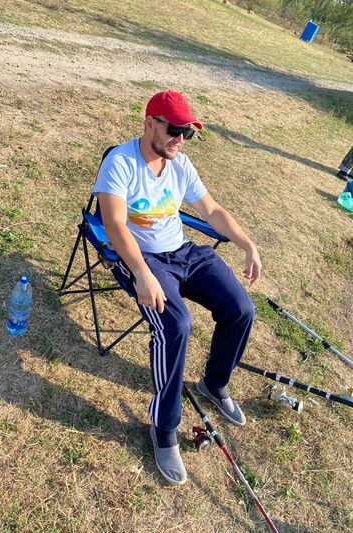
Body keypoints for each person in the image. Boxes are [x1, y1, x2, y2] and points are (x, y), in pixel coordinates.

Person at [93, 90, 261, 485]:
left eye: (187, 133)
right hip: (145, 259)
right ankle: (164, 427)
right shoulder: (121, 162)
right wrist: (140, 272)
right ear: (149, 122)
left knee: (241, 309)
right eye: (174, 130)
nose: (180, 139)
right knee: (176, 326)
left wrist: (247, 244)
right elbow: (113, 223)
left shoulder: (180, 164)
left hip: (184, 252)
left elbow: (212, 210)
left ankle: (213, 384)